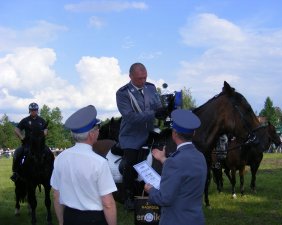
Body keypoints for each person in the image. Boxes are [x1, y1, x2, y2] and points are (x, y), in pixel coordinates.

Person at [50, 105, 117, 225]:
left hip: (70, 216)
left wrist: (61, 221)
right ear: (92, 134)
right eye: (97, 128)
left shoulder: (60, 158)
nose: (99, 131)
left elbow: (56, 195)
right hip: (94, 219)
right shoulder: (99, 162)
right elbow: (108, 203)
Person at [116, 62, 167, 210]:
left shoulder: (151, 88)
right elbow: (130, 117)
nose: (143, 81)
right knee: (130, 162)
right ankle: (128, 196)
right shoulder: (123, 93)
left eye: (145, 77)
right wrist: (154, 113)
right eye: (139, 79)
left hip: (151, 131)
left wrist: (164, 111)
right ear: (130, 76)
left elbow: (157, 106)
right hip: (131, 135)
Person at [144, 109, 207, 225]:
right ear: (193, 133)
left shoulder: (174, 162)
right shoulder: (200, 156)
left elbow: (164, 199)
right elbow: (185, 169)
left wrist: (150, 190)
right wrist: (163, 159)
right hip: (195, 219)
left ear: (174, 133)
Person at [11, 102, 48, 182]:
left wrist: (43, 134)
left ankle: (51, 171)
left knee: (49, 153)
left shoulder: (42, 120)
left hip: (39, 144)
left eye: (35, 110)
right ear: (29, 110)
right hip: (27, 144)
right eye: (32, 110)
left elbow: (46, 130)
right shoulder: (25, 120)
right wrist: (21, 137)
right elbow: (16, 129)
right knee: (17, 152)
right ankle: (16, 173)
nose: (33, 111)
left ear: (37, 110)